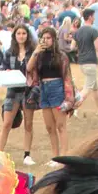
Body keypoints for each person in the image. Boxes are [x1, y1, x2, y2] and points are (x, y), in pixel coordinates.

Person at [26, 25, 74, 159]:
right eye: (43, 38)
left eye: (48, 38)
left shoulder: (61, 56)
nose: (46, 40)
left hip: (57, 88)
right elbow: (29, 68)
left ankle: (64, 155)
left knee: (60, 125)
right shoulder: (39, 55)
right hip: (44, 89)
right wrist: (36, 51)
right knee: (49, 127)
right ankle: (55, 156)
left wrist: (68, 96)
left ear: (54, 39)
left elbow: (67, 76)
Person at [0, 24, 38, 167]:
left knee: (28, 124)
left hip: (28, 91)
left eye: (24, 33)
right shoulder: (9, 52)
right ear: (15, 36)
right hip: (13, 90)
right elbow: (2, 67)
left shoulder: (33, 52)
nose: (21, 36)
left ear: (27, 35)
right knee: (7, 123)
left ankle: (27, 155)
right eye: (18, 33)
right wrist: (5, 72)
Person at [73, 7, 98, 116]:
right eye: (94, 16)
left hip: (82, 62)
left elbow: (72, 46)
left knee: (95, 87)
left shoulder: (78, 32)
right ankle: (74, 108)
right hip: (90, 62)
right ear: (90, 17)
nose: (94, 18)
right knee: (87, 89)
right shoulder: (93, 31)